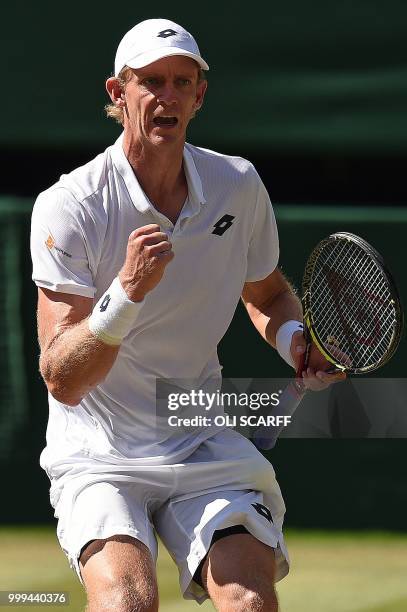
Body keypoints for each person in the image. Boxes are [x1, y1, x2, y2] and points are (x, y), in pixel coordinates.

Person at [30, 18, 344, 612]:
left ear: (199, 96)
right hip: (99, 452)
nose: (166, 96)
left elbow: (269, 294)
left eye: (182, 82)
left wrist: (297, 340)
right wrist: (125, 293)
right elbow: (61, 377)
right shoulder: (69, 204)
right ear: (117, 94)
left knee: (248, 598)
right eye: (150, 81)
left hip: (198, 433)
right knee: (127, 601)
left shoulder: (238, 184)